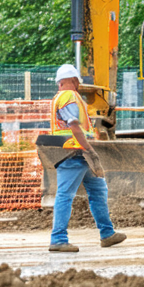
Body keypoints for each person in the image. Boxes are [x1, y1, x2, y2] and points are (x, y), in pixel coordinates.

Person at [48, 64, 126, 253]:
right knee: (65, 195)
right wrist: (89, 149)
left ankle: (107, 234)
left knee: (98, 190)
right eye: (77, 81)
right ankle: (58, 239)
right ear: (73, 80)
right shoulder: (69, 96)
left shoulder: (61, 97)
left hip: (77, 153)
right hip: (74, 153)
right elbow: (73, 125)